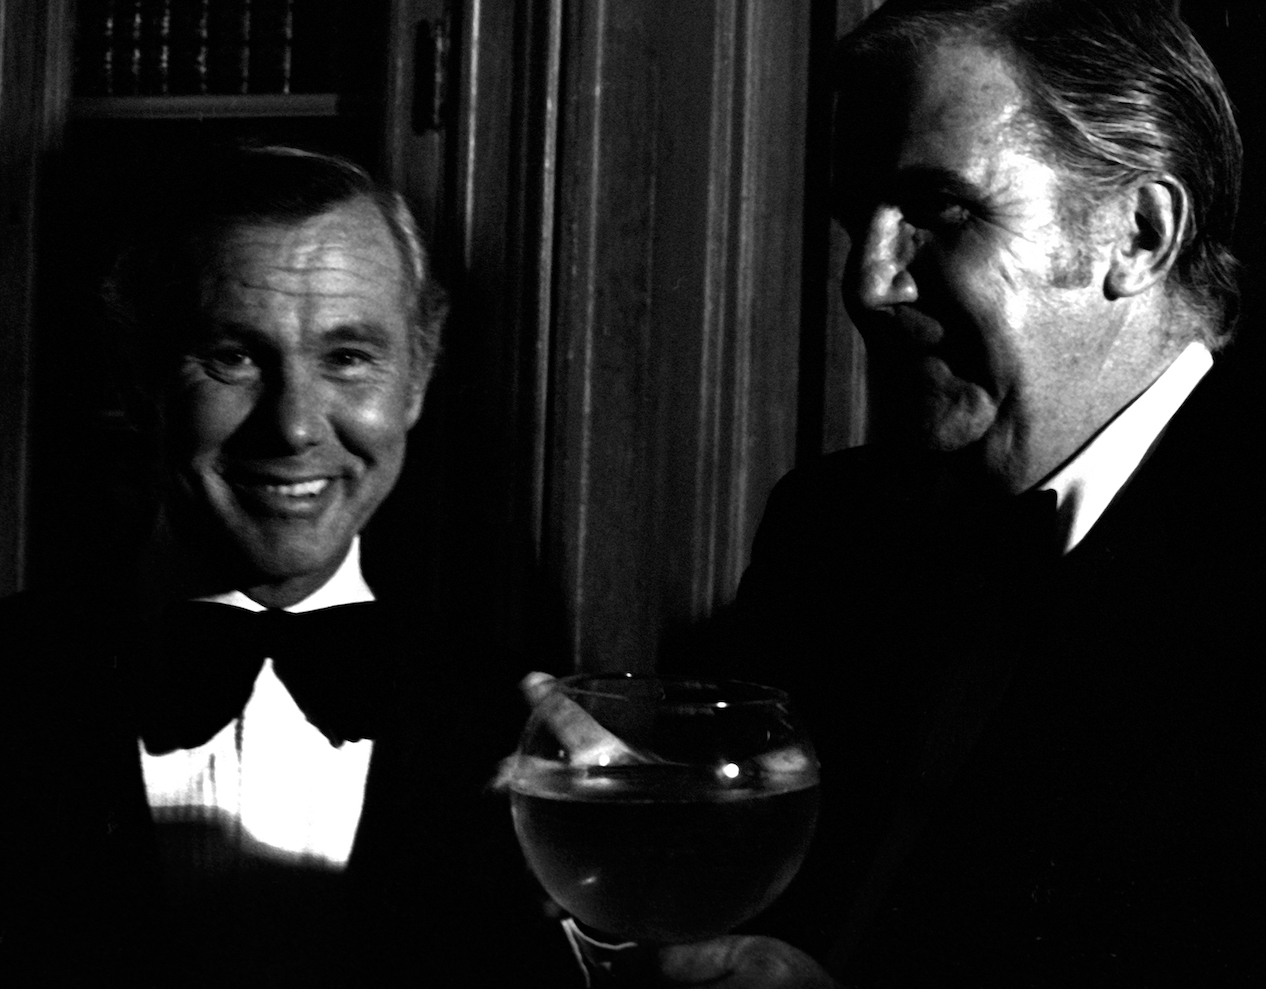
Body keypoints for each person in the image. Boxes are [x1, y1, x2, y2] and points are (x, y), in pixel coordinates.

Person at [653, 1, 1264, 986]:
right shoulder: (831, 526)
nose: (869, 281)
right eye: (860, 223)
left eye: (939, 211)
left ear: (1140, 233)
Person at [0, 147, 576, 987]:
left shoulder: (530, 748)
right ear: (134, 377)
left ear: (417, 376)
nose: (295, 426)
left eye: (348, 356)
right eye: (234, 355)